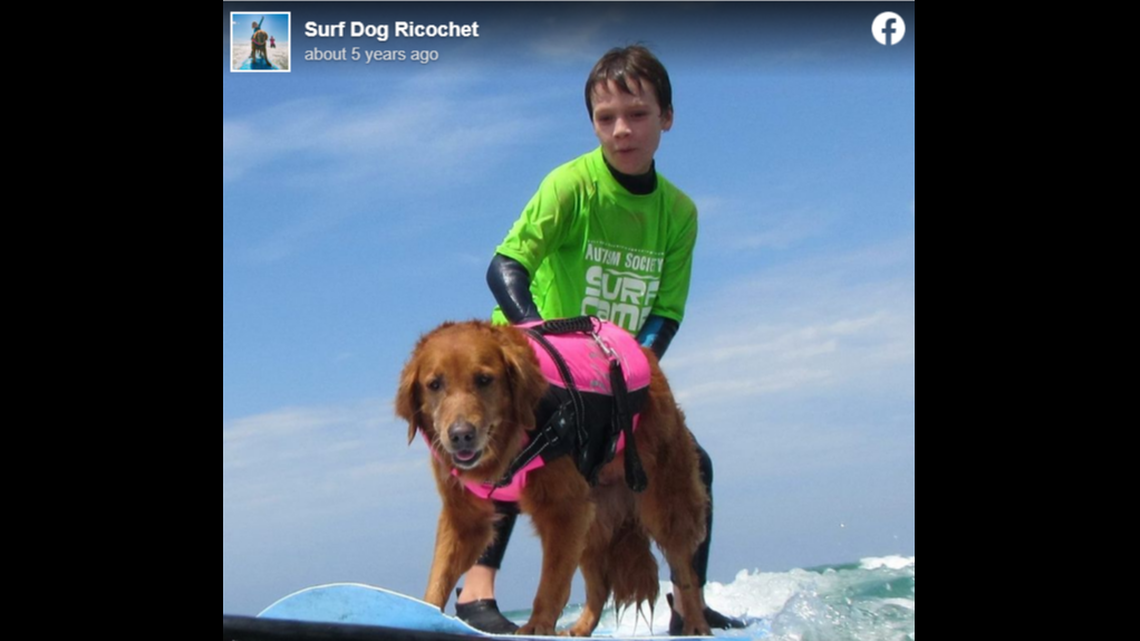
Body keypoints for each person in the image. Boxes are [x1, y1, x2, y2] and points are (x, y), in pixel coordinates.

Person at [458, 45, 745, 636]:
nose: (621, 130)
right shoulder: (571, 185)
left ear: (667, 116)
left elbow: (665, 313)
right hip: (533, 357)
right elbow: (505, 266)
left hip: (610, 376)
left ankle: (686, 603)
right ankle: (475, 595)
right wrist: (542, 351)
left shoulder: (679, 214)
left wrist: (629, 387)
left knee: (695, 464)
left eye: (637, 114)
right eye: (605, 116)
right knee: (519, 448)